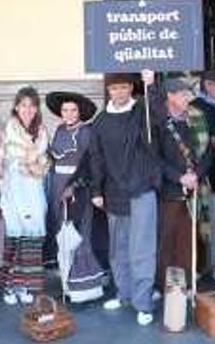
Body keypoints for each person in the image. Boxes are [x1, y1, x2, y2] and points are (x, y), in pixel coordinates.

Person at [89, 72, 163, 327]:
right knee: (118, 249)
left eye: (123, 87)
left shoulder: (141, 112)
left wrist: (151, 85)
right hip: (113, 192)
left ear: (131, 88)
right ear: (108, 91)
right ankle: (124, 294)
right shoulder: (100, 121)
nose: (119, 93)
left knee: (141, 250)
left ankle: (143, 303)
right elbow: (96, 158)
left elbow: (158, 114)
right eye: (114, 88)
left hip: (141, 188)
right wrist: (96, 190)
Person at [149, 74, 211, 294]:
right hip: (169, 191)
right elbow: (155, 158)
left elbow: (206, 153)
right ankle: (162, 286)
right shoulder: (156, 123)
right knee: (165, 240)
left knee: (188, 239)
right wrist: (179, 178)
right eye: (184, 94)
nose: (188, 98)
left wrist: (196, 175)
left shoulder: (195, 118)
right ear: (170, 96)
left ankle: (185, 285)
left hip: (193, 189)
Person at [44, 91, 106, 303]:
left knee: (78, 234)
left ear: (80, 112)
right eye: (65, 110)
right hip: (57, 187)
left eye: (73, 110)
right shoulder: (59, 130)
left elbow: (90, 164)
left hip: (76, 190)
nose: (68, 114)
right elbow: (53, 159)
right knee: (62, 235)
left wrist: (73, 186)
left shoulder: (86, 132)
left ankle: (83, 288)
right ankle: (66, 286)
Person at [0, 86, 51, 305]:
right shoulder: (7, 130)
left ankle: (25, 284)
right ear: (16, 107)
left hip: (34, 189)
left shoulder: (42, 133)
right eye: (23, 105)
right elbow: (1, 161)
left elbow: (45, 161)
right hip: (13, 188)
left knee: (31, 239)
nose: (27, 109)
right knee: (14, 238)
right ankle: (10, 286)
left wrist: (38, 162)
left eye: (32, 105)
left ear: (37, 108)